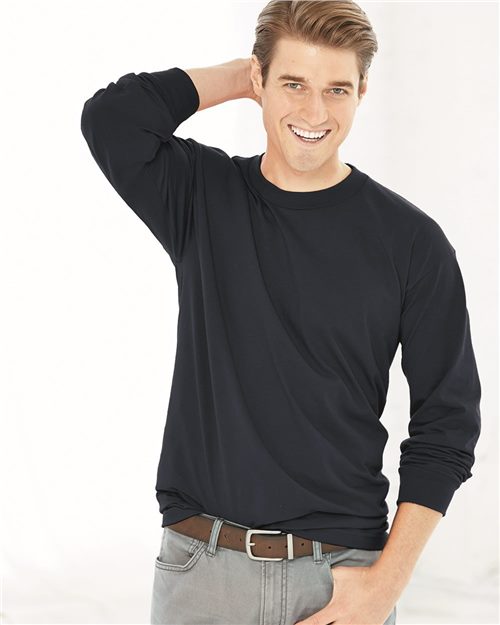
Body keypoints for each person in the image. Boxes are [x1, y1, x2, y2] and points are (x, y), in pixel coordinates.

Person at [80, 1, 481, 624]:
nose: (315, 113)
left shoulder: (412, 243)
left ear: (362, 91)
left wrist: (385, 585)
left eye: (336, 89)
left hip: (342, 580)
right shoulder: (201, 196)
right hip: (203, 572)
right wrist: (241, 78)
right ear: (259, 80)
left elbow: (447, 426)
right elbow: (112, 118)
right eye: (293, 84)